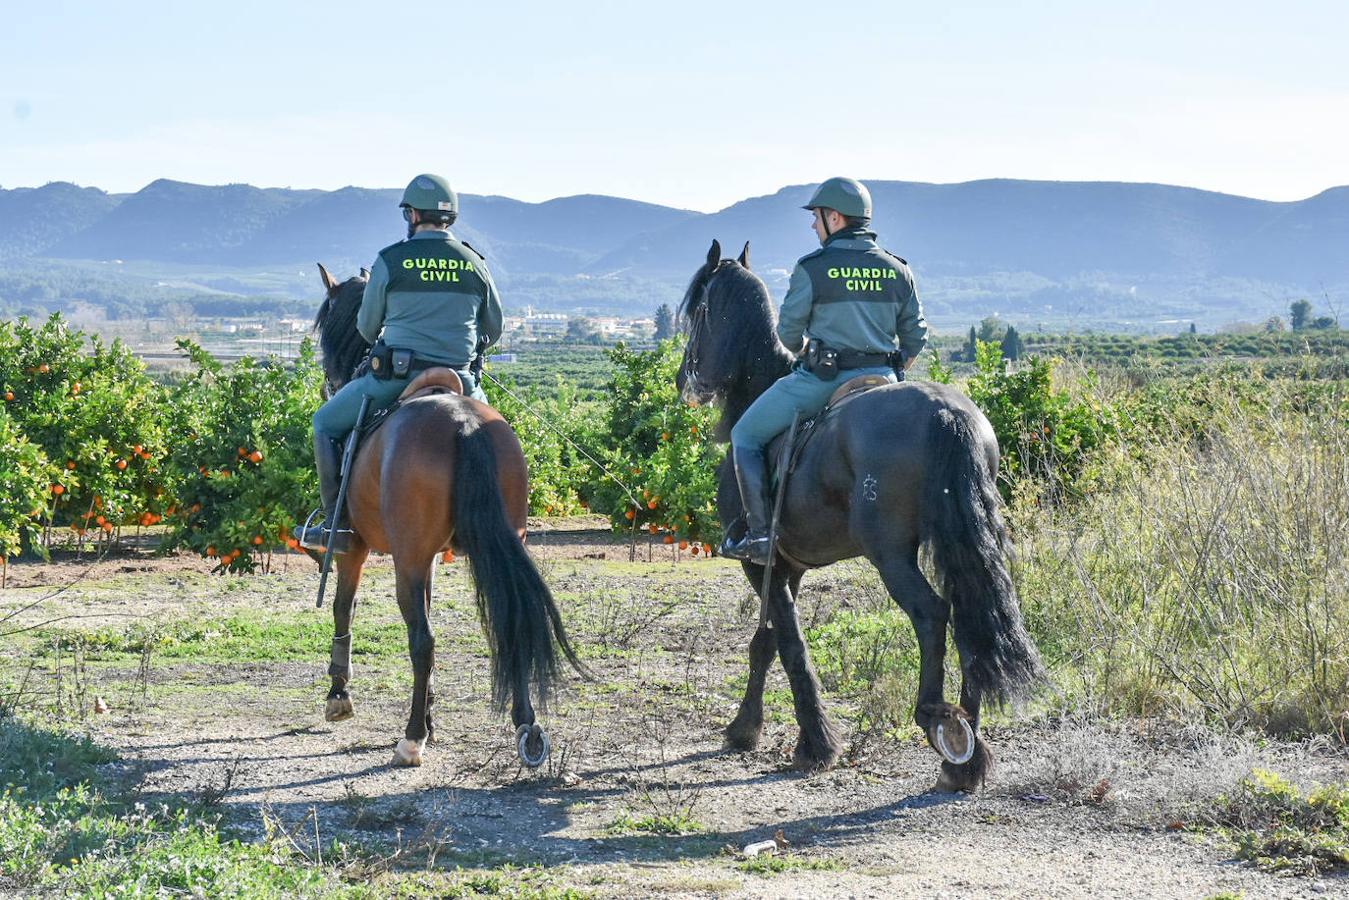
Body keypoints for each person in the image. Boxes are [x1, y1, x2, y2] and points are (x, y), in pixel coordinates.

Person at [719, 176, 928, 564]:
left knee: (744, 435)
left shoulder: (814, 268)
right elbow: (915, 338)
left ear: (834, 217)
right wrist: (892, 371)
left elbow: (787, 334)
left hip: (824, 380)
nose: (814, 226)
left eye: (816, 218)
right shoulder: (897, 269)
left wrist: (808, 355)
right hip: (886, 383)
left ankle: (761, 538)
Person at [295, 173, 504, 552]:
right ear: (450, 217)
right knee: (493, 439)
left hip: (395, 378)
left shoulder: (391, 260)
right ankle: (493, 520)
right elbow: (494, 327)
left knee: (323, 423)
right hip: (462, 380)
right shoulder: (475, 263)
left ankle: (336, 526)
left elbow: (366, 326)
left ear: (411, 215)